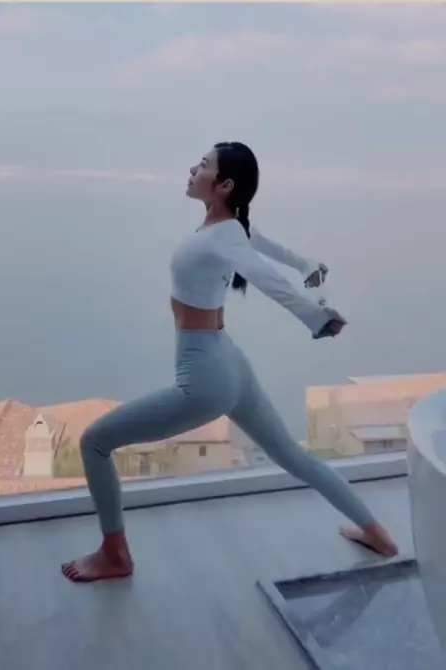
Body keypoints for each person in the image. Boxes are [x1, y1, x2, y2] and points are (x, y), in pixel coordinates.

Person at [62, 141, 398, 583]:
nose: (193, 168)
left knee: (95, 442)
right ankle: (379, 536)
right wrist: (306, 264)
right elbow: (265, 248)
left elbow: (263, 276)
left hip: (206, 376)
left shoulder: (222, 235)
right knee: (295, 458)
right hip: (228, 361)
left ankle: (115, 555)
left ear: (224, 185)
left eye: (204, 164)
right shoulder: (229, 228)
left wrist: (315, 317)